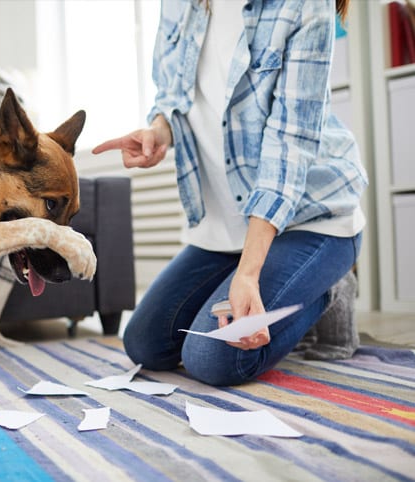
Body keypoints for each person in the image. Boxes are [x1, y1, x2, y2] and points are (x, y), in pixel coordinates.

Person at [92, 0, 366, 386]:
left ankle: (327, 288)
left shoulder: (304, 7)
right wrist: (159, 130)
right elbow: (173, 94)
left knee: (214, 359)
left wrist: (249, 274)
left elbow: (289, 145)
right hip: (227, 228)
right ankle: (277, 280)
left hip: (312, 219)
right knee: (145, 345)